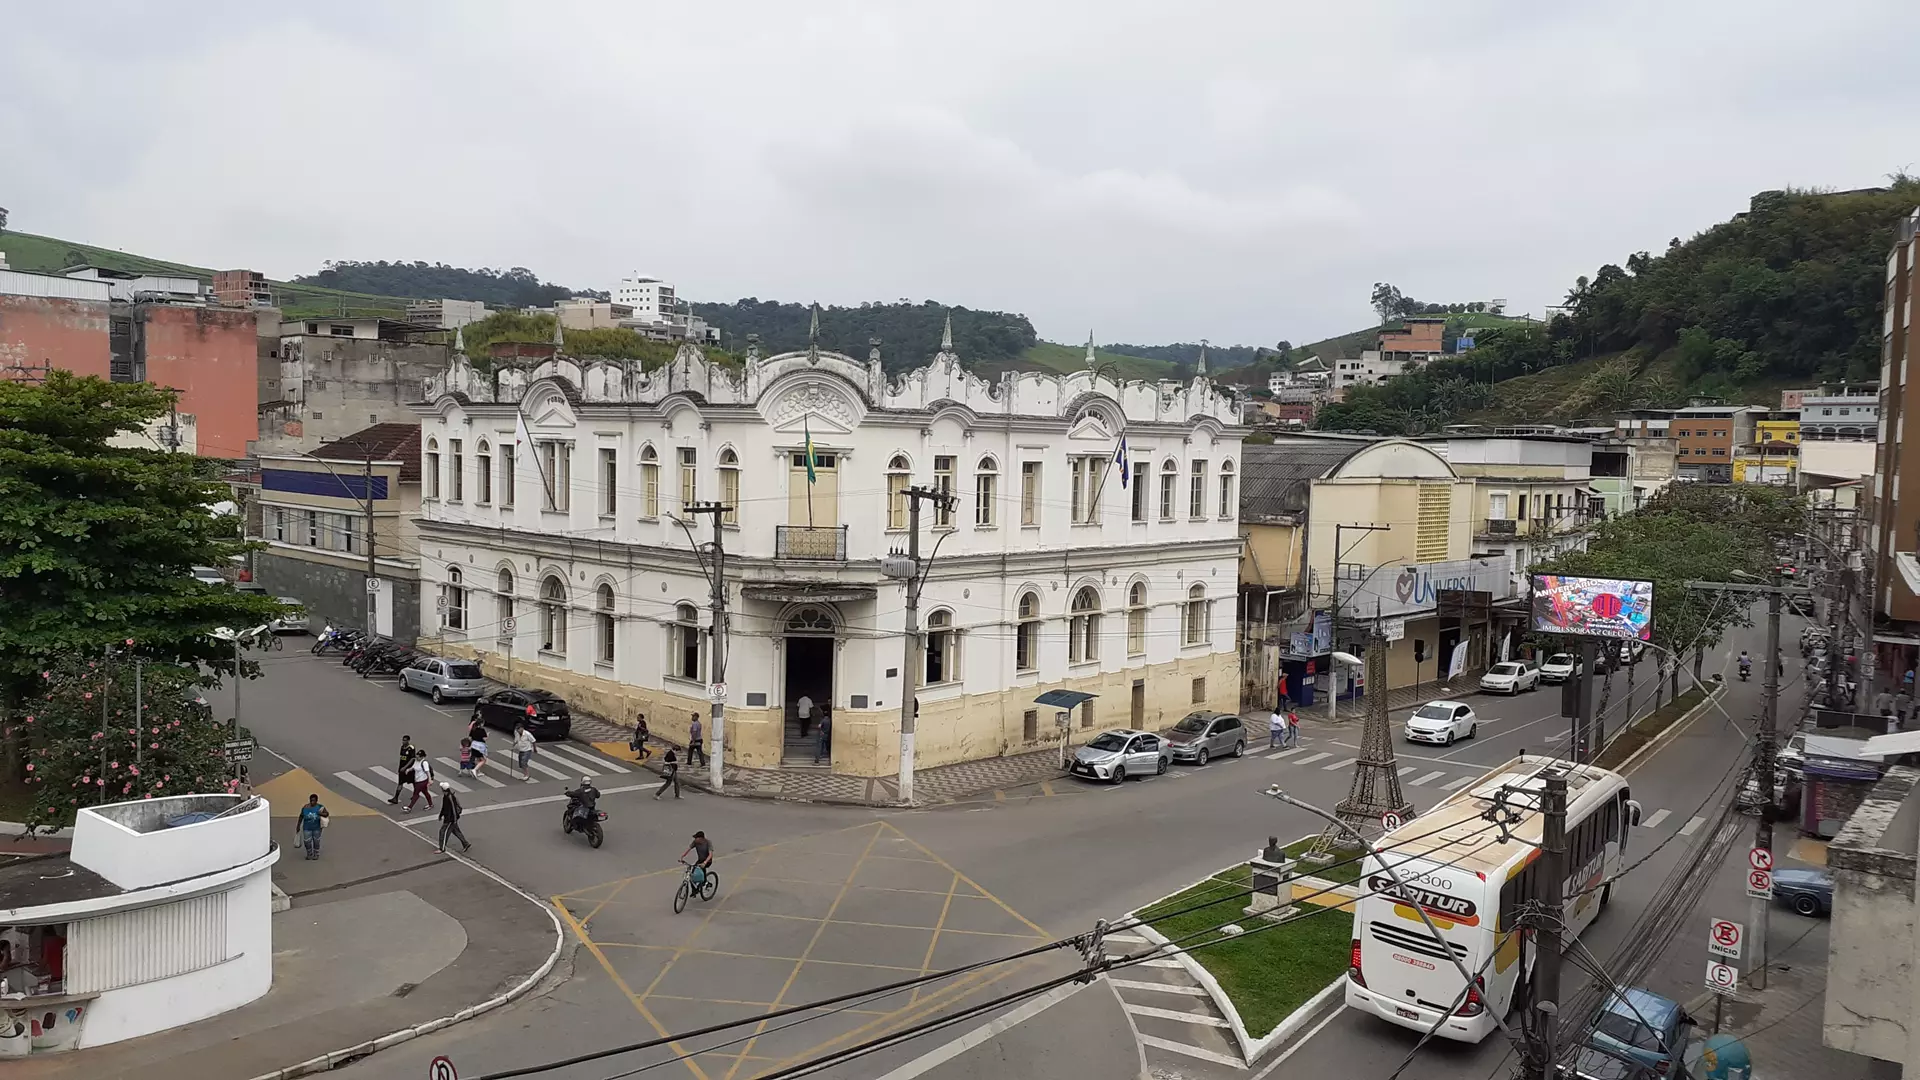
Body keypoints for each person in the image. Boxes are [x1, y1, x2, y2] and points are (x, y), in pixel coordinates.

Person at [437, 782, 471, 853]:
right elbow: (444, 807)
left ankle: (442, 848)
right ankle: (465, 844)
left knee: (443, 832)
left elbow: (453, 809)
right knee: (456, 831)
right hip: (450, 818)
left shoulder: (450, 797)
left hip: (450, 819)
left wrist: (454, 820)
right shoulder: (446, 796)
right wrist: (441, 815)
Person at [296, 794, 330, 860]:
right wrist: (298, 826)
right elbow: (301, 817)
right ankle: (309, 853)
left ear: (317, 801)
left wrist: (321, 813)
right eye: (311, 800)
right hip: (307, 828)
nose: (312, 802)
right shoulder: (305, 807)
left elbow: (327, 814)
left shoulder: (320, 807)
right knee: (307, 841)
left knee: (316, 841)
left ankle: (316, 854)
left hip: (317, 828)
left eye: (314, 801)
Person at [388, 735, 416, 804]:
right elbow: (402, 758)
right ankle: (396, 798)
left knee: (413, 781)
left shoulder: (411, 748)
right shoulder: (402, 747)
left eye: (405, 740)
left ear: (408, 740)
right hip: (402, 769)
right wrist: (401, 768)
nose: (403, 741)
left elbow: (412, 759)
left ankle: (416, 794)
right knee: (400, 783)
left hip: (409, 769)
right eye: (403, 740)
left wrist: (405, 767)